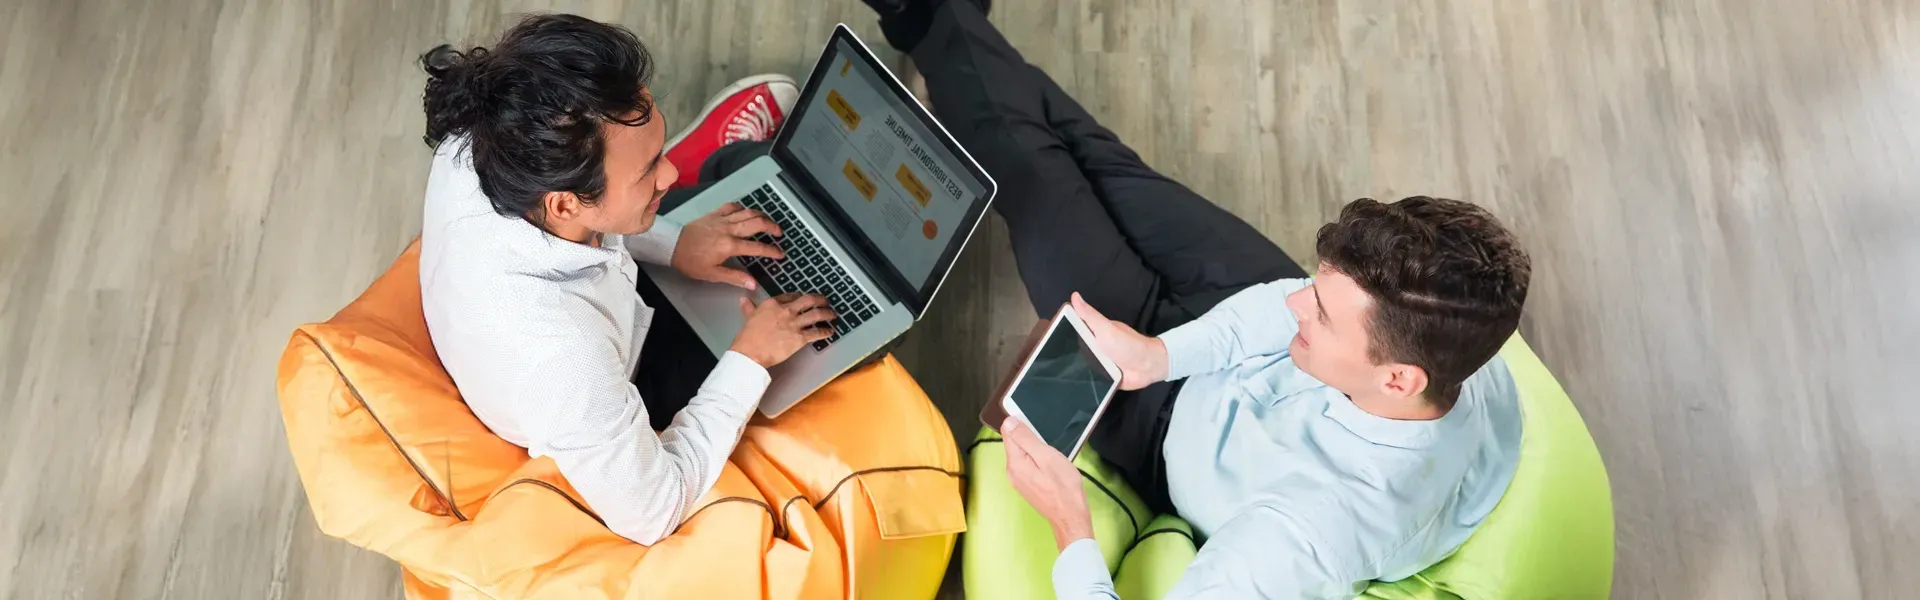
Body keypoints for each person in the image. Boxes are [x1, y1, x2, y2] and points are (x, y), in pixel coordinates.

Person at [857, 1, 1533, 597]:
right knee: (1092, 153)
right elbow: (1285, 304)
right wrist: (1160, 352)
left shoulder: (1307, 536)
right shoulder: (1458, 343)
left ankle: (930, 18)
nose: (1298, 303)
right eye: (1317, 288)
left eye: (1323, 313)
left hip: (1164, 420)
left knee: (1033, 177)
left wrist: (1070, 523)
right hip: (1217, 323)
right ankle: (939, 21)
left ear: (1398, 379)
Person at [414, 14, 838, 546]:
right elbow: (655, 509)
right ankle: (703, 158)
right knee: (820, 327)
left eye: (658, 151)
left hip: (607, 293)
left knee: (743, 178)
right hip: (623, 371)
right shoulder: (563, 360)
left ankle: (690, 160)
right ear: (566, 202)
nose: (670, 176)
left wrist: (675, 243)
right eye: (651, 168)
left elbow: (589, 226)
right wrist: (750, 358)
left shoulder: (485, 131)